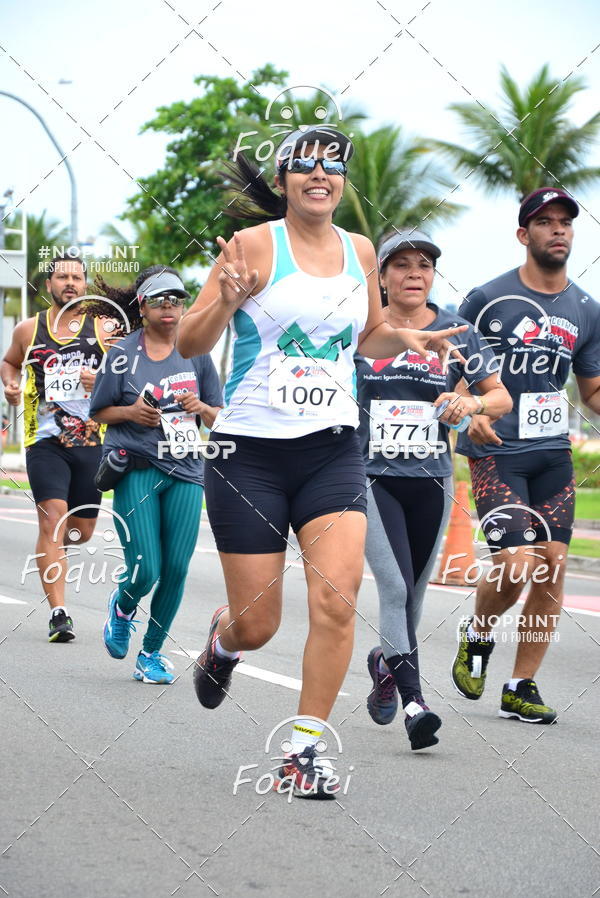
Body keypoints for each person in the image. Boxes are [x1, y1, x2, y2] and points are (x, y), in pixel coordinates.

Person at [176, 126, 468, 797]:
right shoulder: (254, 246)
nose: (319, 174)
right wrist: (223, 298)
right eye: (304, 165)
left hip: (332, 451)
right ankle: (224, 640)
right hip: (247, 457)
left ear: (341, 180)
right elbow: (192, 338)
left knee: (337, 602)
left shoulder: (361, 251)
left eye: (331, 165)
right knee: (261, 621)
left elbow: (366, 337)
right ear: (283, 180)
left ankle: (305, 751)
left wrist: (405, 337)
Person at [356, 230, 512, 750]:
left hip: (431, 478)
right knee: (395, 588)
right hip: (370, 477)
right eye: (400, 265)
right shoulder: (362, 328)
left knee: (415, 597)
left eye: (423, 264)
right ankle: (415, 704)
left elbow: (500, 398)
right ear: (381, 277)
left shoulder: (457, 332)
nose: (414, 273)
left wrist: (469, 405)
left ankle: (385, 662)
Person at [451, 187, 600, 723]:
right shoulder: (483, 299)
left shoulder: (587, 309)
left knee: (552, 567)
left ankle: (521, 686)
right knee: (517, 565)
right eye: (545, 222)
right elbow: (451, 372)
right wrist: (473, 411)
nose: (558, 230)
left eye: (565, 222)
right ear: (524, 234)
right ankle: (478, 632)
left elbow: (592, 392)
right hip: (497, 453)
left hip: (553, 455)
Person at [88, 266, 223, 684]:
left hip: (186, 469)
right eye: (160, 300)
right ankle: (123, 605)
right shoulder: (123, 355)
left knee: (177, 568)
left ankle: (151, 653)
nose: (170, 307)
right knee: (146, 568)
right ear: (142, 307)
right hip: (137, 470)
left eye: (177, 299)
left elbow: (219, 415)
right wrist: (131, 412)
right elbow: (98, 411)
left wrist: (200, 407)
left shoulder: (197, 352)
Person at [1, 254, 109, 643]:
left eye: (77, 277)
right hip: (44, 440)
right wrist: (11, 386)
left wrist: (100, 378)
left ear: (85, 284)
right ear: (48, 284)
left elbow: (127, 373)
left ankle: (53, 549)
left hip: (91, 442)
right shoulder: (29, 330)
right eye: (62, 276)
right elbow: (10, 363)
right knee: (52, 519)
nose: (70, 283)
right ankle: (59, 614)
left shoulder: (104, 329)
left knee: (80, 533)